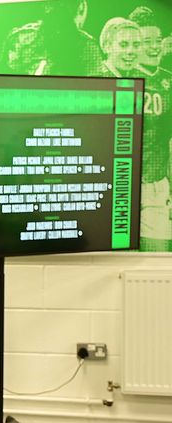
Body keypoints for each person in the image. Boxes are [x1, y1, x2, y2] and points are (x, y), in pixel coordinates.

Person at [130, 6, 172, 251]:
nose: (154, 47)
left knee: (157, 256)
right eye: (147, 41)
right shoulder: (120, 77)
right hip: (122, 183)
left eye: (157, 41)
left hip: (156, 183)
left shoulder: (169, 82)